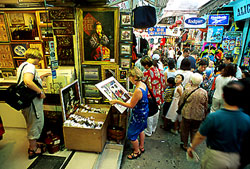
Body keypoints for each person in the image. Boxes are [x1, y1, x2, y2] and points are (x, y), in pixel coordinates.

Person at [187, 81, 250, 169]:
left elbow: (200, 136)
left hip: (216, 156)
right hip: (236, 157)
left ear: (223, 96)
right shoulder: (247, 119)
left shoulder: (214, 117)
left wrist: (192, 147)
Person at [110, 67, 148, 160]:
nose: (129, 79)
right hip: (144, 112)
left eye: (130, 77)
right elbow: (140, 97)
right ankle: (141, 147)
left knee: (131, 135)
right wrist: (131, 94)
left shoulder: (138, 89)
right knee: (141, 129)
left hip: (138, 114)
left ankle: (136, 151)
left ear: (134, 77)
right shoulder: (142, 84)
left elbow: (131, 105)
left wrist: (117, 101)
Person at [17, 48, 47, 159]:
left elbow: (29, 79)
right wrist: (40, 92)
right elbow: (28, 81)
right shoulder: (30, 66)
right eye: (39, 59)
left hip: (26, 102)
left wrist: (41, 77)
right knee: (35, 123)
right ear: (36, 57)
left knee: (31, 123)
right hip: (32, 102)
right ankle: (33, 149)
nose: (39, 61)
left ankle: (33, 144)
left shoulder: (23, 66)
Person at [179, 73, 208, 151]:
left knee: (185, 129)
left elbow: (181, 101)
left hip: (187, 113)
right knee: (194, 130)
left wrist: (179, 109)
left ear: (191, 81)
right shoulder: (204, 92)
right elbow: (206, 105)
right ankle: (193, 144)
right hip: (198, 115)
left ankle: (185, 144)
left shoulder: (187, 90)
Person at [141, 56, 165, 137]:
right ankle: (154, 128)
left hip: (150, 96)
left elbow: (142, 84)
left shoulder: (146, 73)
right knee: (156, 111)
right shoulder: (160, 71)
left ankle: (148, 131)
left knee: (150, 113)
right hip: (159, 95)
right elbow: (163, 83)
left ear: (146, 66)